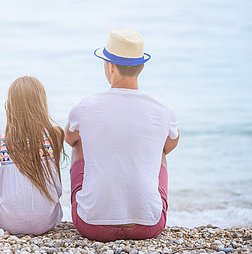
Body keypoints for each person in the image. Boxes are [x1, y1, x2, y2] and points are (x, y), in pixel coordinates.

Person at [65, 29, 180, 241]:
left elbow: (69, 139)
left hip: (91, 225)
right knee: (160, 149)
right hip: (148, 226)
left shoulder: (85, 106)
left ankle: (98, 205)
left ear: (110, 67)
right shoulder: (163, 109)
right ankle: (139, 207)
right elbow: (171, 144)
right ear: (141, 67)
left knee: (79, 144)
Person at [0, 76, 65, 235]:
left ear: (11, 106)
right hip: (46, 221)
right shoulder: (56, 135)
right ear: (41, 103)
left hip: (9, 223)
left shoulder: (0, 141)